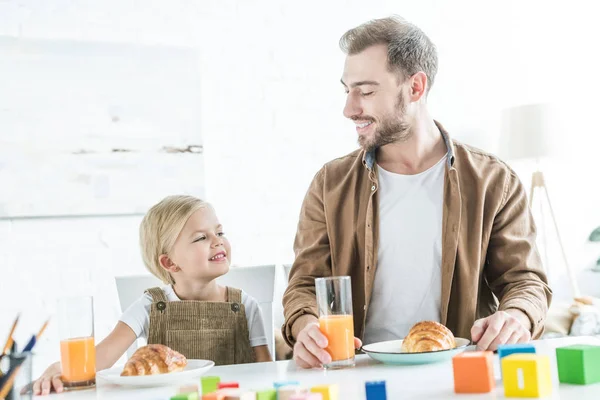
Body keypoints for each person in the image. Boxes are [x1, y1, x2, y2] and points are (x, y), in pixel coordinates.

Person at [282, 15, 552, 369]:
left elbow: (525, 281)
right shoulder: (329, 184)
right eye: (347, 90)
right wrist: (306, 327)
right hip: (356, 371)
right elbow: (304, 283)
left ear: (415, 88)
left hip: (458, 373)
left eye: (366, 91)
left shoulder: (493, 181)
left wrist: (517, 316)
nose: (349, 108)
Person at [33, 195, 271, 395]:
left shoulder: (246, 306)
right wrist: (62, 368)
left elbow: (265, 372)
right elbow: (103, 355)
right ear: (170, 263)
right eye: (201, 237)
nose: (218, 242)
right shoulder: (150, 305)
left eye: (220, 232)